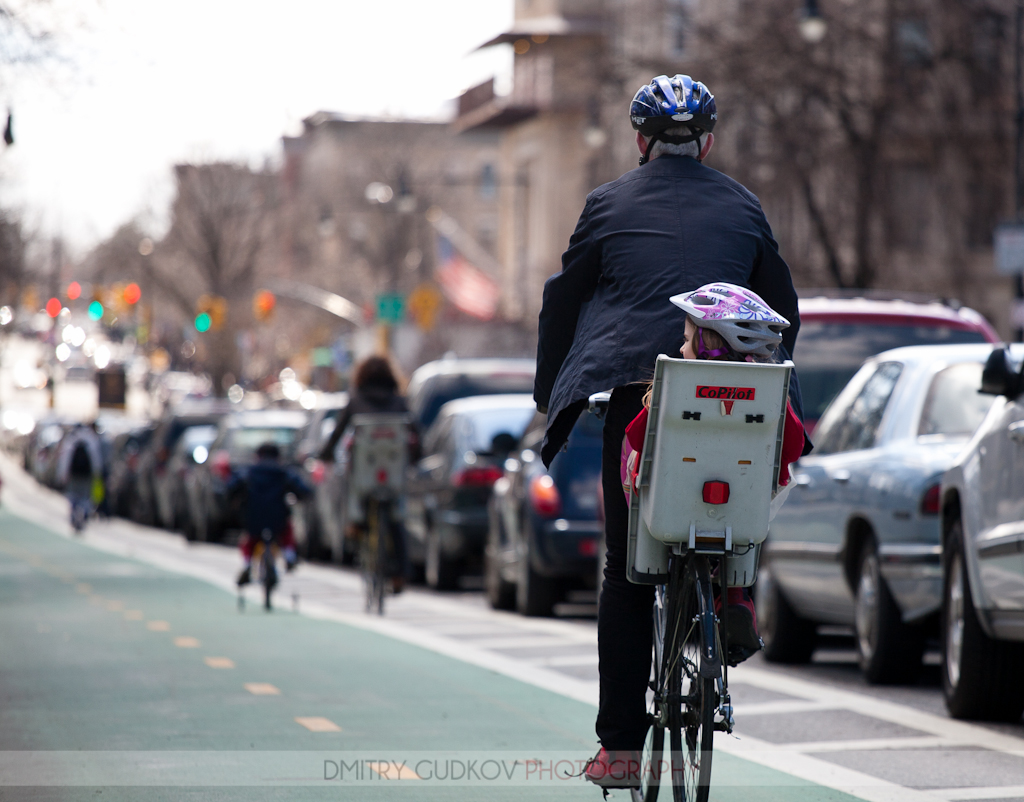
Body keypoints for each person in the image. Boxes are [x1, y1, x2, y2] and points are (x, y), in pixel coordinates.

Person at [532, 74, 810, 789]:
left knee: (627, 571)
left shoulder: (608, 203)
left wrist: (551, 390)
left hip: (642, 397)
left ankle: (621, 749)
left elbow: (564, 300)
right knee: (737, 509)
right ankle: (731, 593)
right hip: (744, 396)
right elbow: (782, 307)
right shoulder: (745, 205)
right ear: (708, 142)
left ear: (640, 142)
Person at [619, 284, 808, 666]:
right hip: (742, 506)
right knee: (743, 521)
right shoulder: (772, 389)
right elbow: (792, 447)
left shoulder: (674, 385)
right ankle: (736, 599)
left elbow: (639, 435)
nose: (682, 348)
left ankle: (663, 569)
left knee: (640, 469)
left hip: (674, 504)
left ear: (706, 344)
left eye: (687, 339)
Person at [319, 355, 415, 591]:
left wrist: (326, 454)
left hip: (364, 471)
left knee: (354, 488)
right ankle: (400, 573)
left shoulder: (355, 401)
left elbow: (338, 433)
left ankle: (355, 523)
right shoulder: (400, 402)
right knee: (397, 515)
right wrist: (416, 456)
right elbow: (415, 433)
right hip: (392, 471)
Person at [235, 442, 311, 587]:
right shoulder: (283, 472)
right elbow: (303, 489)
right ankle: (289, 556)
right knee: (286, 531)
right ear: (278, 456)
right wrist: (303, 497)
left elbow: (232, 486)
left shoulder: (249, 471)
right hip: (278, 517)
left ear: (257, 456)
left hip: (253, 517)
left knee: (250, 540)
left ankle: (246, 566)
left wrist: (235, 499)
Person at [57, 422, 104, 533]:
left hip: (73, 474)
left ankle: (74, 515)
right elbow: (96, 458)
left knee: (73, 496)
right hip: (86, 475)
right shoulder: (91, 439)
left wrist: (63, 474)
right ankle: (83, 514)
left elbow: (65, 459)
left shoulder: (71, 439)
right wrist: (97, 473)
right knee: (85, 496)